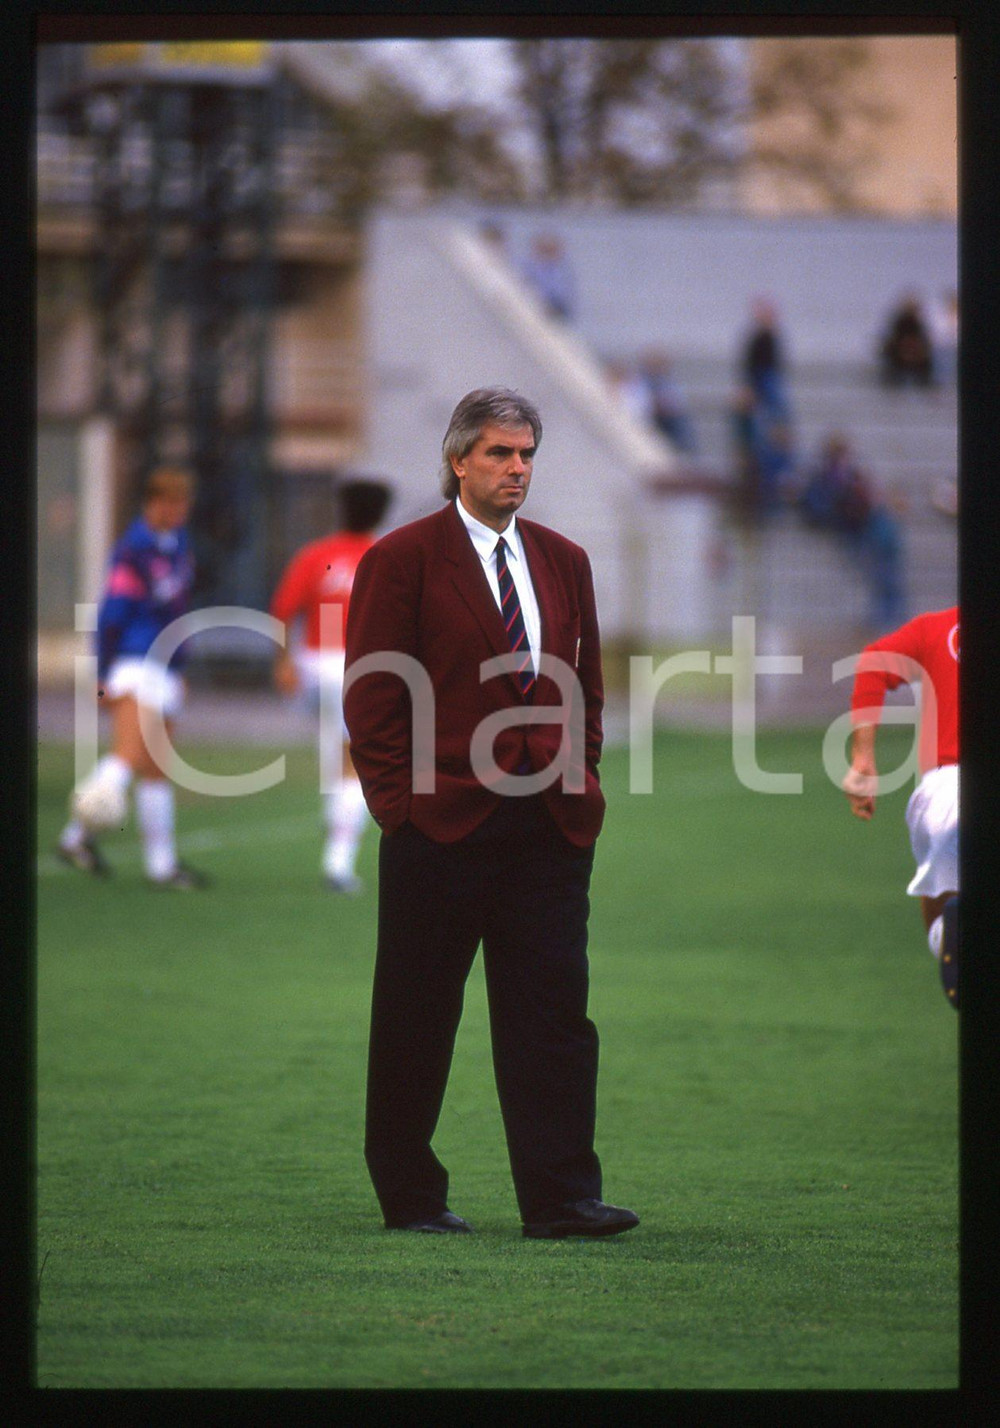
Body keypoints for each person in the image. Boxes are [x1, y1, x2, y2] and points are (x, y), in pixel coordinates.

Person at [343, 387, 639, 1240]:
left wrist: (579, 775)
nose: (518, 469)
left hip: (550, 827)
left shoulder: (563, 559)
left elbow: (585, 687)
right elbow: (373, 695)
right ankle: (411, 1197)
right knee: (416, 1016)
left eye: (527, 455)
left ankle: (560, 1199)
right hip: (439, 826)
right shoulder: (403, 559)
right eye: (501, 454)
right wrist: (399, 807)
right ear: (458, 460)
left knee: (554, 1017)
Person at [57, 465, 209, 889]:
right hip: (133, 660)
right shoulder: (134, 549)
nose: (180, 511)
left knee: (157, 765)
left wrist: (179, 666)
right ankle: (74, 836)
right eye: (173, 503)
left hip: (162, 664)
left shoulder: (177, 545)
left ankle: (161, 866)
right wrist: (102, 672)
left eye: (184, 504)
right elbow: (111, 614)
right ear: (153, 503)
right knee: (129, 754)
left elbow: (176, 612)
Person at [270, 477, 392, 893]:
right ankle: (338, 864)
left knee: (334, 745)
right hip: (358, 668)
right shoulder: (385, 558)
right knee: (354, 763)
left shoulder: (315, 555)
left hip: (312, 667)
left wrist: (283, 660)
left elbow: (284, 610)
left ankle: (334, 813)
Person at [842, 607, 959, 1009]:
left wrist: (863, 759)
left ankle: (948, 938)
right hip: (949, 789)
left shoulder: (937, 628)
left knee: (944, 896)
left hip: (947, 789)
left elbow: (873, 664)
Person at [741, 297, 790, 424]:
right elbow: (750, 362)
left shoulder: (771, 336)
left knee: (776, 407)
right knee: (769, 408)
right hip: (761, 376)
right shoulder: (758, 338)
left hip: (769, 375)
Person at [879, 292, 934, 388]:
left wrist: (917, 350)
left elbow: (924, 340)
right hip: (899, 352)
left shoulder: (918, 323)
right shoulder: (899, 322)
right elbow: (892, 339)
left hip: (915, 352)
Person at [521, 233, 575, 322]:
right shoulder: (529, 268)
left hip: (558, 310)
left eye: (552, 249)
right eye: (546, 250)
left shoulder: (563, 270)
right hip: (535, 309)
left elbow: (565, 294)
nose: (549, 253)